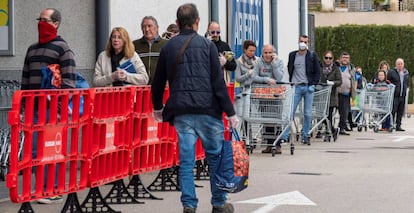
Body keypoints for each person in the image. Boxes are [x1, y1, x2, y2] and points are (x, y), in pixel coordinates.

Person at [151, 3, 239, 213]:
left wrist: (157, 108)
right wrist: (231, 111)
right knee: (215, 159)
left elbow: (158, 81)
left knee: (187, 161)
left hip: (182, 111)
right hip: (208, 110)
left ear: (178, 22)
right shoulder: (208, 46)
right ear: (198, 22)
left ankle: (189, 206)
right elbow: (218, 83)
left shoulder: (168, 47)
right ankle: (218, 203)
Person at [21, 8, 75, 204]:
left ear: (56, 23)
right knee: (35, 150)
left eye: (45, 20)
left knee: (52, 149)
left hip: (52, 110)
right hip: (34, 109)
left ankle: (53, 189)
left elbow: (69, 81)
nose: (40, 23)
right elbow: (25, 79)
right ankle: (41, 189)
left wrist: (60, 110)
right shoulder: (32, 49)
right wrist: (23, 107)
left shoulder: (63, 48)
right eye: (39, 20)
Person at [281, 35, 321, 145]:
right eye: (301, 41)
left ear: (308, 44)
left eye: (305, 42)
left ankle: (305, 135)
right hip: (296, 87)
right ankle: (285, 135)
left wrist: (313, 84)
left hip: (308, 87)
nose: (302, 43)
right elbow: (290, 68)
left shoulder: (312, 56)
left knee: (307, 113)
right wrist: (292, 81)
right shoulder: (293, 55)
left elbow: (318, 72)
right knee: (290, 112)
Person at [251, 45, 284, 154]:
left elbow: (279, 78)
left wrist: (274, 65)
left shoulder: (279, 62)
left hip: (276, 95)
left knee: (276, 120)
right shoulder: (258, 63)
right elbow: (254, 77)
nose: (268, 55)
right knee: (266, 120)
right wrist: (266, 79)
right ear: (262, 53)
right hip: (263, 95)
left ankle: (277, 144)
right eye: (266, 52)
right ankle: (269, 144)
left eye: (270, 52)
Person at [133, 16, 167, 84]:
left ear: (157, 28)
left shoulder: (166, 44)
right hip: (141, 88)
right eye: (144, 26)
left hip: (161, 86)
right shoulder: (134, 45)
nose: (147, 29)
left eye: (149, 26)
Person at [318, 50, 342, 141]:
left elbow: (340, 81)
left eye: (330, 58)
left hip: (331, 96)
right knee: (321, 116)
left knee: (329, 116)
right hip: (321, 95)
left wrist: (332, 83)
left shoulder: (336, 69)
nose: (328, 60)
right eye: (326, 58)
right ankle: (333, 130)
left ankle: (329, 132)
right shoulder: (320, 67)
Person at [234, 40, 257, 132]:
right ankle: (242, 138)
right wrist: (248, 74)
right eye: (250, 51)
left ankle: (249, 138)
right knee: (242, 115)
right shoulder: (239, 62)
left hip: (255, 90)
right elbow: (238, 78)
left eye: (254, 51)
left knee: (250, 115)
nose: (252, 53)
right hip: (244, 91)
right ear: (245, 50)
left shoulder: (257, 61)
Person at [337, 52, 356, 135]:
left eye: (347, 58)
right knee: (331, 111)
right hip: (335, 93)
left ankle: (342, 127)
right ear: (340, 58)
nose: (345, 59)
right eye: (343, 57)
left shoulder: (351, 68)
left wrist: (353, 93)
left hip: (346, 93)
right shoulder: (336, 67)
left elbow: (353, 80)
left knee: (344, 112)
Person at [387, 58, 409, 131]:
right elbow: (388, 82)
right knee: (393, 110)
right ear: (396, 65)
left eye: (401, 64)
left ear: (403, 64)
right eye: (398, 64)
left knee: (400, 111)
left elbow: (406, 83)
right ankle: (391, 124)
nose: (400, 65)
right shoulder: (391, 72)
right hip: (394, 95)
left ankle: (398, 126)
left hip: (402, 95)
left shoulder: (406, 73)